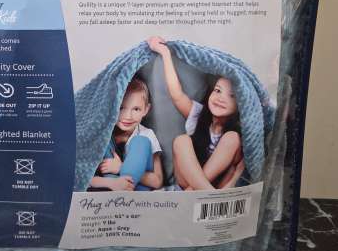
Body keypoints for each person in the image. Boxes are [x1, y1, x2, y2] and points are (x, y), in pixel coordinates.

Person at [147, 36, 244, 190]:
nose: (221, 98)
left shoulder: (237, 133)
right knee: (181, 140)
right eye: (218, 90)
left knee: (232, 138)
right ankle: (205, 192)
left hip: (215, 186)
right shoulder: (198, 115)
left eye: (232, 96)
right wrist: (165, 54)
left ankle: (199, 192)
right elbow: (176, 94)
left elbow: (237, 172)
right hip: (190, 182)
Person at [89, 77, 164, 191]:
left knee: (141, 141)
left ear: (146, 109)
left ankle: (126, 189)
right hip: (111, 187)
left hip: (138, 190)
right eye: (121, 108)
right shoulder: (104, 135)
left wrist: (121, 167)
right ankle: (121, 189)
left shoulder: (147, 134)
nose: (128, 116)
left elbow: (157, 181)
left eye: (136, 109)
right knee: (103, 136)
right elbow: (84, 177)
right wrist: (112, 183)